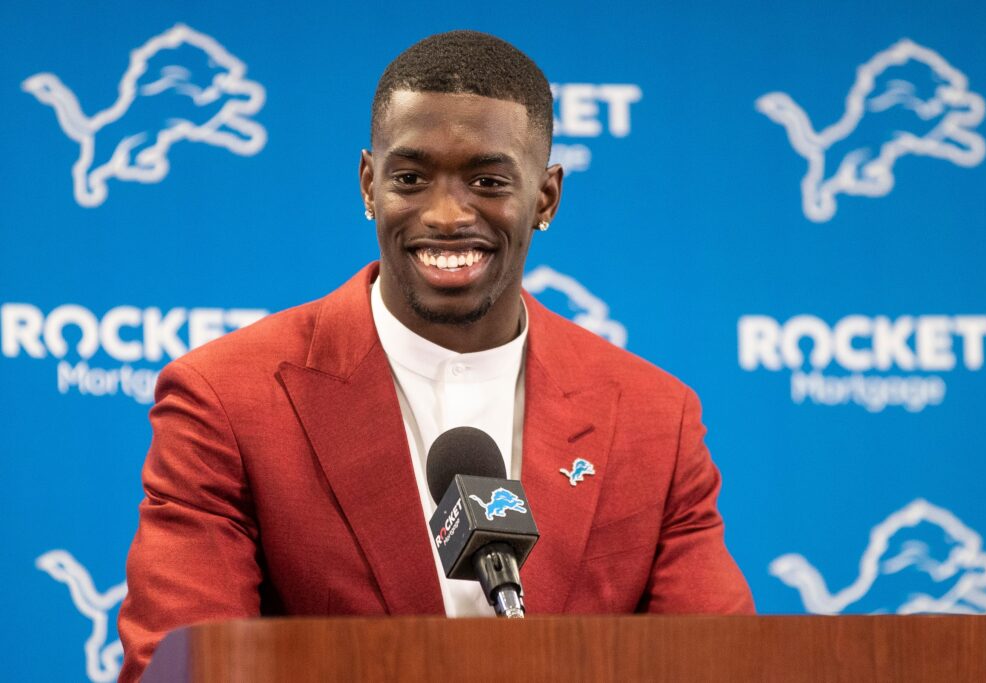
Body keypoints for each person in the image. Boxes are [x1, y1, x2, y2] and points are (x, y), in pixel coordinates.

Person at [117, 30, 754, 681]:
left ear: (545, 198)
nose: (447, 214)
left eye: (486, 179)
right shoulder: (227, 398)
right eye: (412, 177)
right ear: (369, 184)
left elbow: (720, 664)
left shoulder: (654, 417)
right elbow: (180, 663)